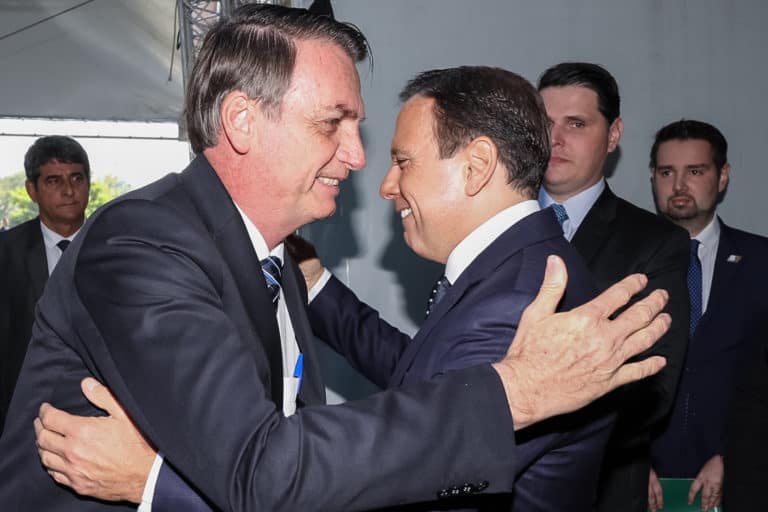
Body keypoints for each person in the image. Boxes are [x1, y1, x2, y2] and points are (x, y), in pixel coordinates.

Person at [4, 5, 668, 511]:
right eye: (333, 123)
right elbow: (263, 467)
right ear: (242, 121)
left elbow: (307, 451)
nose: (358, 157)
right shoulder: (144, 244)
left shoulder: (276, 259)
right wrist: (513, 392)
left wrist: (153, 481)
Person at [300, 66, 614, 511]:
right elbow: (426, 380)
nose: (388, 187)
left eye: (403, 163)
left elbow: (425, 456)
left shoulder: (518, 299)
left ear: (477, 166)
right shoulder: (511, 267)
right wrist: (316, 284)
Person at [535, 62, 690, 512]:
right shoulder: (496, 225)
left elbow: (654, 387)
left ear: (613, 134)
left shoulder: (655, 242)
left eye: (576, 124)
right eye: (545, 123)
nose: (555, 139)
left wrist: (525, 429)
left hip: (598, 491)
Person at [646, 120, 768, 512]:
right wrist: (627, 463)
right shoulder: (624, 261)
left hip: (741, 478)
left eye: (695, 171)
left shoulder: (762, 262)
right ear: (653, 178)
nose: (679, 185)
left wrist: (734, 455)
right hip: (642, 482)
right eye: (667, 172)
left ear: (722, 176)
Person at [0, 135, 90, 434]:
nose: (68, 190)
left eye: (77, 178)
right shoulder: (6, 253)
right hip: (19, 412)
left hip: (96, 410)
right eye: (54, 181)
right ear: (32, 190)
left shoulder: (114, 246)